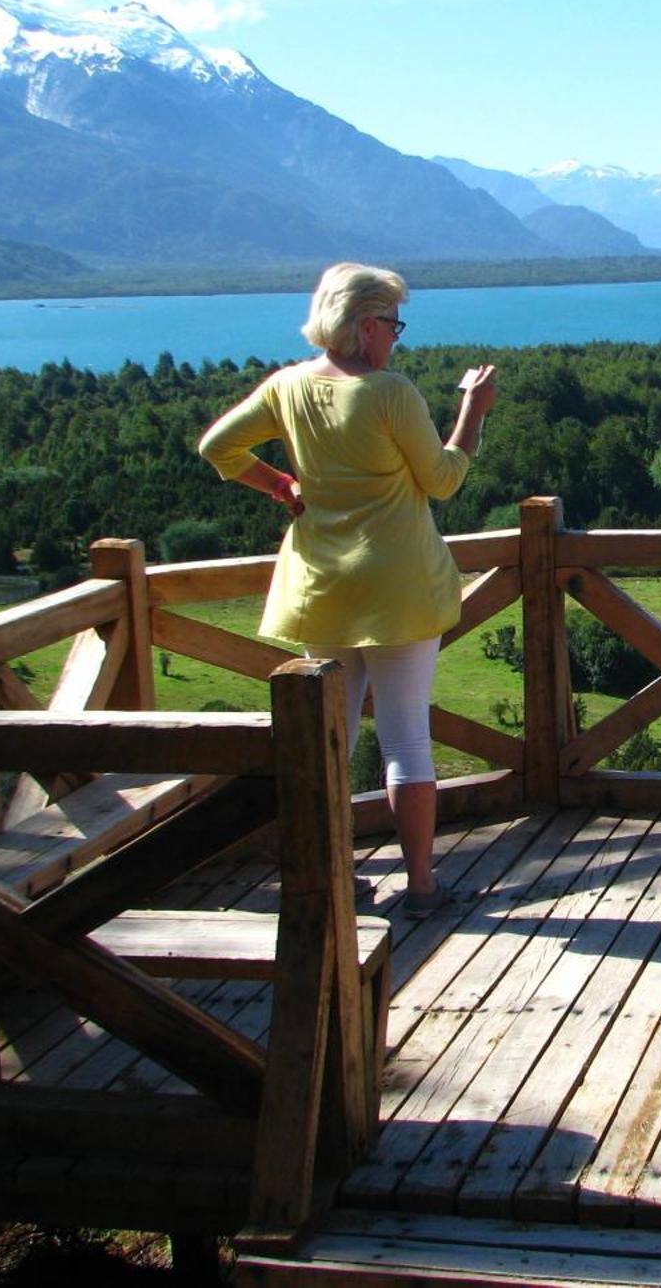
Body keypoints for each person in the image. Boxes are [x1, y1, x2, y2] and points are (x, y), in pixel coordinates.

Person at [198, 262, 497, 913]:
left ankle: (336, 878)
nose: (397, 336)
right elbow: (443, 480)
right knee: (407, 741)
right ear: (366, 325)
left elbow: (218, 447)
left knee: (332, 741)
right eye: (393, 323)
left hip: (322, 590)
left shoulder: (287, 387)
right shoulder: (390, 392)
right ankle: (421, 886)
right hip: (400, 591)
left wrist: (283, 486)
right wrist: (473, 410)